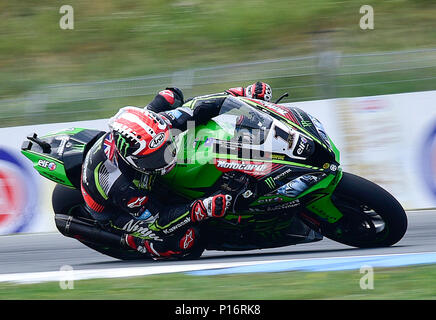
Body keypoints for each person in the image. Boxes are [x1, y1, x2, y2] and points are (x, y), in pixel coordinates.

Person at [80, 82, 273, 259]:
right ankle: (138, 243)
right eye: (155, 157)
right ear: (133, 160)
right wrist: (199, 208)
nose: (166, 156)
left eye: (167, 145)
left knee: (172, 97)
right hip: (113, 210)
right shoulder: (124, 188)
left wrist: (243, 95)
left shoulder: (159, 127)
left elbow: (198, 106)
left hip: (142, 154)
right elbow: (160, 221)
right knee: (182, 243)